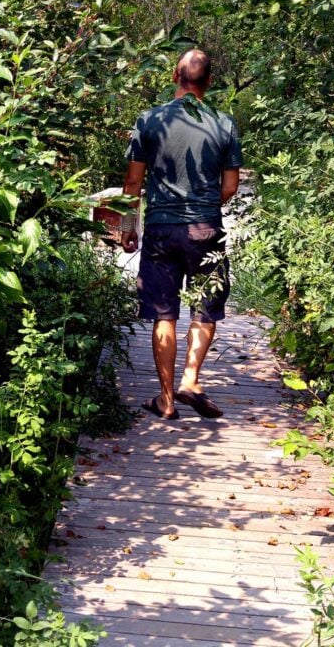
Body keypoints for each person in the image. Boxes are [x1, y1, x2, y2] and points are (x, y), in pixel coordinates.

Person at [121, 48, 242, 420]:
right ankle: (190, 378)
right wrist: (204, 205)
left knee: (164, 314)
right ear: (208, 81)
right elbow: (231, 186)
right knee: (205, 310)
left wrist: (129, 226)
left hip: (160, 230)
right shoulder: (224, 123)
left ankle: (166, 400)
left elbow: (133, 182)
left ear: (176, 74)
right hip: (206, 229)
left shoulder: (149, 120)